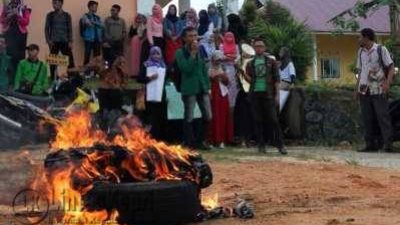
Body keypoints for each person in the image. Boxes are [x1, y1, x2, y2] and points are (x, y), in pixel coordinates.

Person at [356, 28, 395, 152]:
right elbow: (360, 71)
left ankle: (388, 144)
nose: (359, 39)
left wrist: (387, 84)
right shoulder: (360, 52)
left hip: (378, 88)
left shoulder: (380, 49)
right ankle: (370, 144)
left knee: (382, 117)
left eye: (360, 37)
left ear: (367, 38)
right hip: (364, 88)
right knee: (367, 117)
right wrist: (356, 88)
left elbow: (391, 67)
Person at [245, 38, 287, 155]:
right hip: (255, 94)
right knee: (258, 120)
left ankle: (280, 145)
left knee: (273, 120)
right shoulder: (250, 63)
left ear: (264, 48)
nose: (259, 48)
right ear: (254, 48)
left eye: (261, 46)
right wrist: (243, 74)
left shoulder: (271, 62)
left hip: (268, 94)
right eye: (257, 46)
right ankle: (261, 145)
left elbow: (277, 79)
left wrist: (277, 94)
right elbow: (249, 79)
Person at [175, 27, 212, 150]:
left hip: (202, 86)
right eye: (190, 36)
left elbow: (203, 69)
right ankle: (189, 143)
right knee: (189, 116)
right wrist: (192, 55)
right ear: (184, 38)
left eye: (195, 35)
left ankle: (200, 141)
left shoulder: (201, 50)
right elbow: (185, 68)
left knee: (208, 115)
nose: (193, 38)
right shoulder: (180, 53)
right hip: (189, 88)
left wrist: (208, 86)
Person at [138, 46, 167, 140]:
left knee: (160, 118)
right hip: (149, 96)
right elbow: (139, 78)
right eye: (153, 53)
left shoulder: (164, 66)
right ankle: (149, 139)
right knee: (150, 118)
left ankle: (159, 140)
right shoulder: (146, 65)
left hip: (161, 96)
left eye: (158, 53)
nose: (156, 56)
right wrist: (150, 78)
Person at [0, 0, 31, 87]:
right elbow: (2, 20)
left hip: (20, 34)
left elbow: (26, 22)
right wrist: (9, 16)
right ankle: (10, 80)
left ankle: (19, 81)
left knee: (20, 57)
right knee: (9, 57)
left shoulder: (25, 8)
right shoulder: (7, 7)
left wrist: (17, 14)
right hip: (9, 33)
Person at [45, 0, 74, 80]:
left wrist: (71, 41)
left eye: (56, 3)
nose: (54, 5)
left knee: (70, 61)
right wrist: (48, 41)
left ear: (61, 3)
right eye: (53, 3)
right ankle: (54, 79)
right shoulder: (50, 15)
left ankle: (72, 78)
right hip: (54, 42)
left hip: (65, 41)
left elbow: (70, 29)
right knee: (53, 62)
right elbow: (46, 29)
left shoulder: (67, 15)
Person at [209, 50, 232, 148]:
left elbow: (228, 83)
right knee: (214, 116)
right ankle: (213, 140)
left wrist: (224, 78)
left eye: (219, 59)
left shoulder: (223, 68)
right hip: (213, 94)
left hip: (223, 94)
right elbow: (208, 82)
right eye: (216, 58)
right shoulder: (209, 69)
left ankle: (222, 139)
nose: (218, 61)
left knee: (223, 116)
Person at [140, 4, 164, 69]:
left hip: (160, 41)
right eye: (153, 9)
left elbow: (162, 32)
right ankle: (146, 76)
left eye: (156, 9)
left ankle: (159, 76)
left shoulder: (161, 19)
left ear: (159, 10)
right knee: (149, 59)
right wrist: (151, 43)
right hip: (152, 41)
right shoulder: (150, 18)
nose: (154, 10)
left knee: (159, 59)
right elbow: (149, 31)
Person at [220, 32, 239, 109]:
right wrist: (231, 56)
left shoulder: (236, 46)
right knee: (225, 85)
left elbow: (237, 57)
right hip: (224, 68)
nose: (229, 38)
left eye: (231, 36)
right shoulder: (221, 46)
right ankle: (225, 103)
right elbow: (221, 57)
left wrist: (227, 55)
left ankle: (232, 104)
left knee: (233, 86)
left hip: (233, 68)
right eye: (227, 36)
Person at [80, 0, 103, 65]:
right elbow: (88, 24)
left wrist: (94, 22)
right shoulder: (85, 16)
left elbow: (101, 26)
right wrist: (96, 23)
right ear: (90, 7)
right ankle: (85, 72)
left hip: (97, 40)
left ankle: (96, 72)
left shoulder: (97, 17)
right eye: (94, 7)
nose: (96, 8)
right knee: (87, 56)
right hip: (89, 40)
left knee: (97, 58)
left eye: (96, 7)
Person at [278, 47, 296, 112]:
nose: (279, 53)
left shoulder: (289, 63)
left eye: (281, 52)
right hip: (281, 82)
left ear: (284, 53)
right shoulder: (281, 63)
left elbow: (292, 74)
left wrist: (292, 83)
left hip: (285, 83)